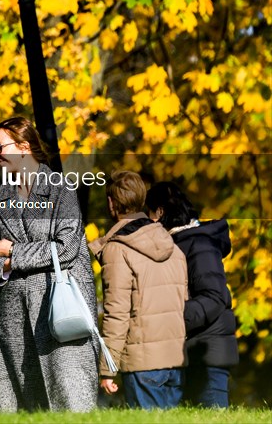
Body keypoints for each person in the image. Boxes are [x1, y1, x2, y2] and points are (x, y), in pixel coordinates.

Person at [0, 116, 98, 412]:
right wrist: (8, 264)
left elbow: (66, 248)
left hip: (60, 310)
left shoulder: (61, 190)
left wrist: (11, 249)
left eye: (0, 147)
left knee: (71, 401)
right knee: (23, 407)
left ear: (24, 147)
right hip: (13, 319)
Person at [90, 171, 188, 409]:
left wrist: (108, 368)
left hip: (143, 365)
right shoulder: (172, 246)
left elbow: (117, 315)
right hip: (176, 361)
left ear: (112, 203)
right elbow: (182, 302)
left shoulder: (117, 250)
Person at [145, 181, 239, 408]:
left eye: (149, 214)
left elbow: (214, 297)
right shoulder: (181, 243)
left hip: (207, 353)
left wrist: (172, 318)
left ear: (159, 212)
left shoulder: (199, 243)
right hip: (191, 351)